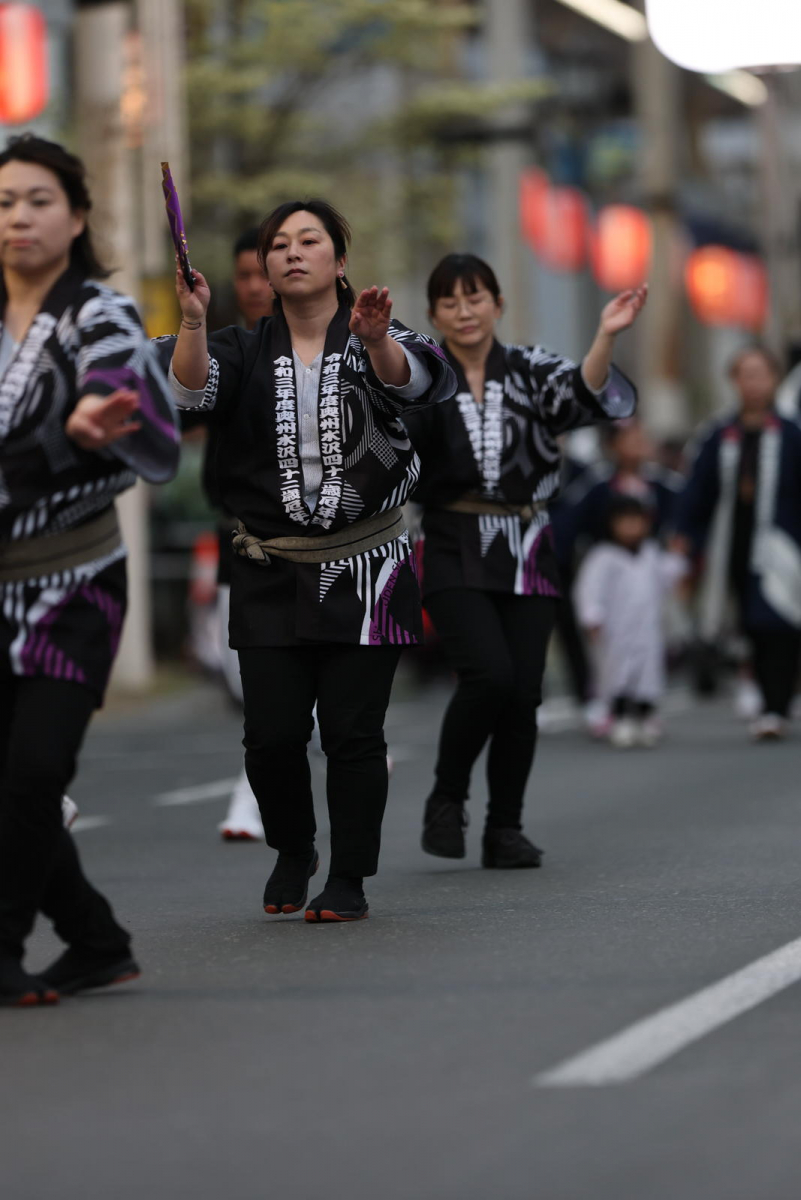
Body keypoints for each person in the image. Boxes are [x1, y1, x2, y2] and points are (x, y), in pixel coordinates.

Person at [164, 198, 454, 921]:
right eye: (279, 245)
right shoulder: (237, 346)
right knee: (270, 737)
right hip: (268, 568)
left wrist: (380, 339)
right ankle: (295, 847)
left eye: (309, 240)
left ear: (338, 259)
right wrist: (193, 319)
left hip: (368, 568)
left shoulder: (378, 335)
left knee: (354, 734)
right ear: (263, 268)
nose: (292, 253)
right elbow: (187, 391)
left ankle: (348, 877)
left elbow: (417, 384)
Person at [0, 134, 179, 1005]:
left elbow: (120, 392)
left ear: (75, 217)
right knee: (11, 783)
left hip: (73, 582)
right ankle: (96, 938)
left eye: (38, 199)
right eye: (3, 202)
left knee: (35, 771)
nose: (19, 216)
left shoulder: (98, 315)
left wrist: (81, 424)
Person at [404, 253, 645, 867]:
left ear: (498, 303)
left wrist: (606, 335)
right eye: (451, 302)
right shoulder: (420, 376)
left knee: (523, 693)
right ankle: (446, 794)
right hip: (453, 537)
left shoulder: (531, 367)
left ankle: (503, 828)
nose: (465, 311)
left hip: (527, 542)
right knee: (488, 675)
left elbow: (583, 396)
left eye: (476, 297)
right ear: (434, 313)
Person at [674, 345, 801, 741]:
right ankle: (761, 692)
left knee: (778, 620)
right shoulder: (719, 435)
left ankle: (777, 705)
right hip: (733, 542)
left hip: (782, 543)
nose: (753, 383)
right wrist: (684, 536)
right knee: (746, 620)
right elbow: (697, 492)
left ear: (774, 379)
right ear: (735, 381)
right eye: (745, 374)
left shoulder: (792, 434)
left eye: (761, 374)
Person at [574, 495, 686, 748]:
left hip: (647, 629)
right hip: (616, 630)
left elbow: (667, 578)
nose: (632, 528)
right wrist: (592, 616)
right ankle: (621, 717)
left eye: (637, 522)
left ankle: (646, 716)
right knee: (616, 674)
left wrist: (677, 558)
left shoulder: (650, 553)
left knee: (647, 673)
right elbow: (589, 590)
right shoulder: (602, 557)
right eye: (625, 522)